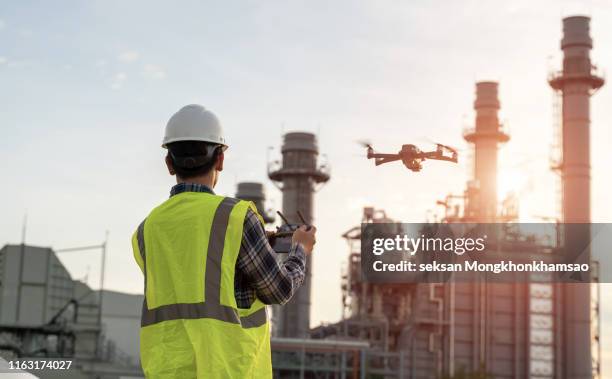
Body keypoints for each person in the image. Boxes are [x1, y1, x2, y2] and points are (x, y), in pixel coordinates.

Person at [131, 104, 316, 378]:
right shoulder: (235, 217)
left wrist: (246, 247)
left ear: (169, 164)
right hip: (228, 370)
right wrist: (300, 248)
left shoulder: (147, 229)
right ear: (220, 159)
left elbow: (191, 278)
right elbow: (278, 290)